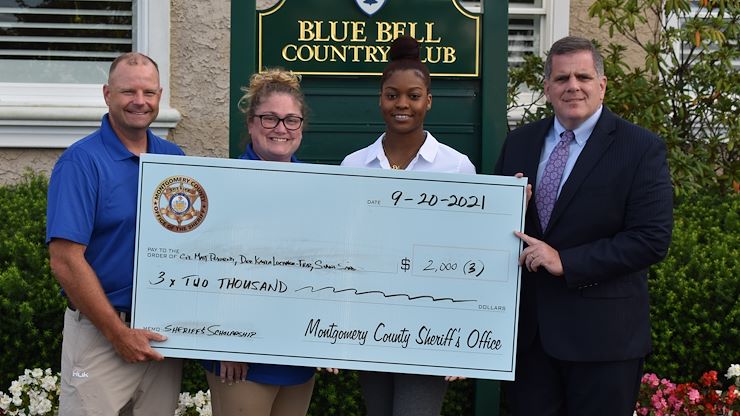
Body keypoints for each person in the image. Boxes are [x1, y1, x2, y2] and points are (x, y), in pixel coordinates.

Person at [494, 36, 673, 415]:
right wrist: (507, 210)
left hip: (603, 342)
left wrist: (567, 261)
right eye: (561, 79)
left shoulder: (640, 148)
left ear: (602, 84)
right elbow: (496, 228)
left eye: (583, 76)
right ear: (546, 88)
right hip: (530, 339)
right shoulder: (519, 143)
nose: (572, 86)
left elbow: (651, 239)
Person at [340, 35, 475, 416]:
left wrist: (463, 336)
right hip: (369, 322)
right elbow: (339, 249)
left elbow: (468, 256)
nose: (402, 104)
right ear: (380, 99)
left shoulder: (456, 167)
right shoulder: (353, 166)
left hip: (430, 325)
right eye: (392, 95)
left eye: (413, 95)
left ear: (428, 101)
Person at [46, 52, 185, 415]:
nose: (140, 101)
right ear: (107, 94)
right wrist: (117, 334)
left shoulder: (175, 160)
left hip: (161, 336)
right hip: (101, 334)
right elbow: (65, 259)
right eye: (129, 92)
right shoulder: (81, 162)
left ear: (160, 96)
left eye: (149, 93)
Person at [201, 68, 316, 416]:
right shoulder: (223, 185)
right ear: (251, 124)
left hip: (298, 354)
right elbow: (203, 267)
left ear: (301, 127)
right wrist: (226, 340)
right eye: (270, 118)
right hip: (242, 357)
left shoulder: (317, 188)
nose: (281, 128)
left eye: (291, 120)